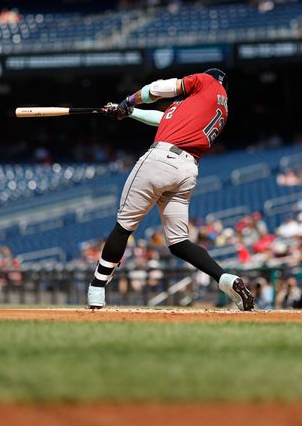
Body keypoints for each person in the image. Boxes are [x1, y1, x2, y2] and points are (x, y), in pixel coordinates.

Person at [86, 69, 255, 311]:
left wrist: (129, 100)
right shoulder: (217, 109)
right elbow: (162, 119)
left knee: (123, 227)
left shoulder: (206, 82)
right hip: (187, 171)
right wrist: (128, 112)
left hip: (159, 160)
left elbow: (157, 89)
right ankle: (225, 279)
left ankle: (97, 289)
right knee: (179, 242)